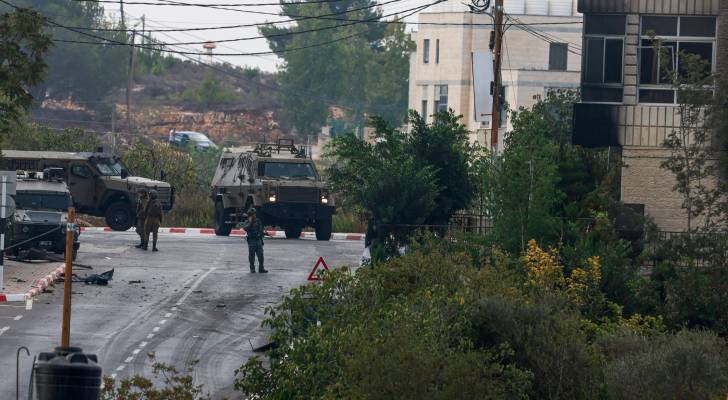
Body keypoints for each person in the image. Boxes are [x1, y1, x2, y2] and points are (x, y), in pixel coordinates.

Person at [242, 208, 267, 273]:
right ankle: (252, 268)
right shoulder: (247, 222)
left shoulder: (258, 221)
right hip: (251, 240)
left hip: (258, 240)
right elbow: (246, 228)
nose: (254, 215)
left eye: (254, 214)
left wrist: (263, 233)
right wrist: (250, 222)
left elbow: (261, 229)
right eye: (252, 214)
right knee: (251, 256)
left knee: (261, 255)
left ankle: (261, 268)